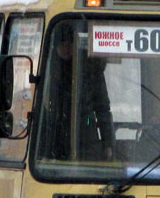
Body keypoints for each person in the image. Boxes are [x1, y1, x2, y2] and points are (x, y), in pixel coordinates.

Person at [45, 26, 114, 160]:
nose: (66, 48)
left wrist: (108, 143)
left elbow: (103, 109)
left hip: (85, 136)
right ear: (55, 46)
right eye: (61, 44)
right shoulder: (47, 68)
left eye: (69, 44)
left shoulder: (91, 70)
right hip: (54, 138)